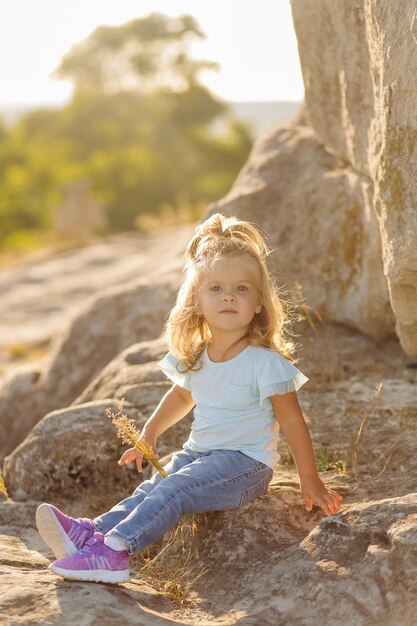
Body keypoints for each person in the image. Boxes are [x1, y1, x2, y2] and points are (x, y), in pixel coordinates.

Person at [36, 212, 342, 584]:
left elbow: (293, 422)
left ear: (259, 302)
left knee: (176, 489)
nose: (229, 295)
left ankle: (115, 553)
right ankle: (90, 533)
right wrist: (148, 435)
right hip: (199, 453)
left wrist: (310, 480)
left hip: (245, 466)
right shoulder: (199, 355)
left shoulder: (266, 363)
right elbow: (181, 396)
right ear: (197, 301)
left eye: (241, 289)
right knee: (153, 486)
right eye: (216, 289)